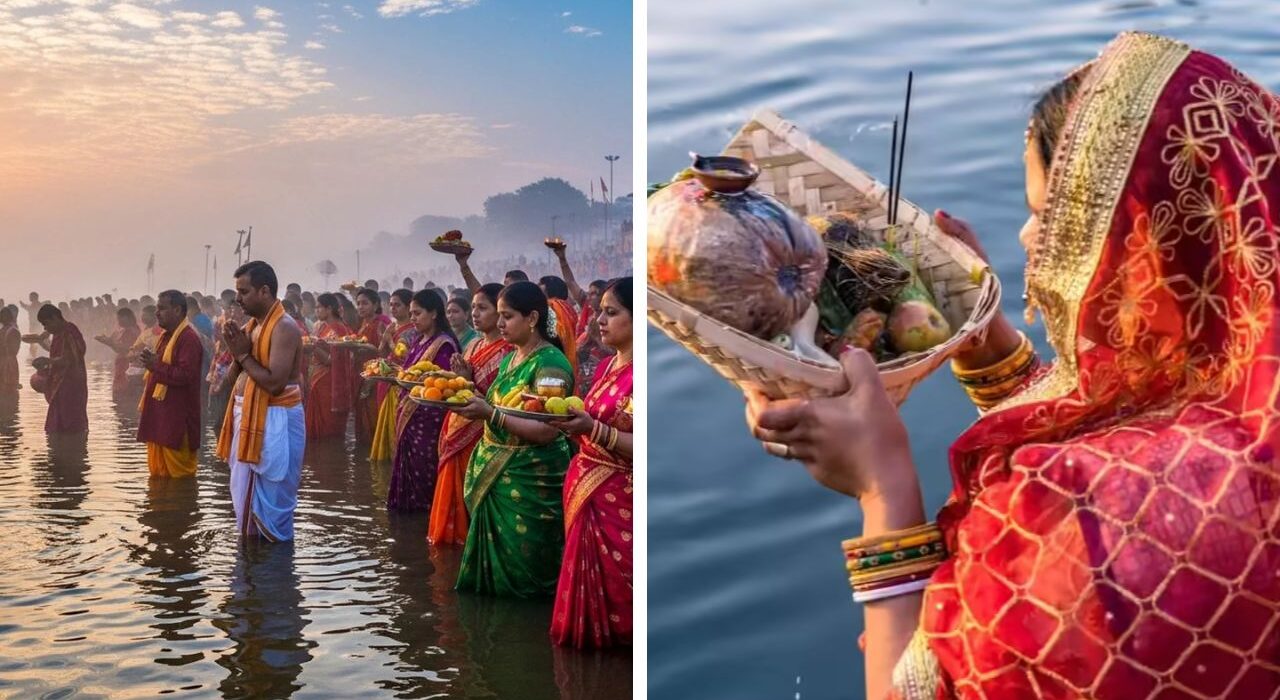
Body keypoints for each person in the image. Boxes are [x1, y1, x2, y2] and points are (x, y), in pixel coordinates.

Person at [745, 32, 1280, 700]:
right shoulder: (1249, 388)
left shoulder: (1071, 523)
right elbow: (1136, 429)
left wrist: (883, 489)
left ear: (1143, 244)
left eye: (1045, 218)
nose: (1030, 241)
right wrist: (990, 346)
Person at [453, 281, 574, 597]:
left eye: (507, 316)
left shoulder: (550, 364)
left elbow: (549, 429)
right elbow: (498, 407)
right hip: (496, 474)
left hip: (530, 480)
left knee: (524, 576)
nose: (500, 323)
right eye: (501, 316)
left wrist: (489, 415)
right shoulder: (511, 359)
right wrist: (468, 386)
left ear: (532, 318)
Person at [549, 277, 633, 648]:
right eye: (600, 311)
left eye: (611, 313)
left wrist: (593, 430)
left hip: (622, 502)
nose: (600, 319)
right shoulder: (606, 368)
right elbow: (591, 425)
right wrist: (572, 428)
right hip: (588, 493)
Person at [217, 260, 305, 542]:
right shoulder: (253, 326)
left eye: (244, 292)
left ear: (264, 291)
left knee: (271, 506)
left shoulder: (285, 327)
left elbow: (275, 384)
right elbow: (233, 380)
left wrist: (243, 355)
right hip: (250, 417)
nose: (238, 299)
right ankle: (253, 575)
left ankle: (274, 578)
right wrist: (233, 348)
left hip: (276, 418)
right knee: (246, 505)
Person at [429, 283, 513, 545]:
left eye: (483, 308)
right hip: (457, 424)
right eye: (474, 307)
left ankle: (469, 541)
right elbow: (460, 387)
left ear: (499, 313)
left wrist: (467, 381)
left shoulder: (508, 352)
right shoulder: (474, 345)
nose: (475, 313)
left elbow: (502, 400)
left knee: (473, 493)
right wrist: (456, 380)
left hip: (482, 433)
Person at [387, 290, 459, 511]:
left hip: (428, 424)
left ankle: (424, 523)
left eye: (417, 313)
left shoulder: (444, 345)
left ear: (434, 313)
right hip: (410, 416)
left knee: (424, 479)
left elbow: (444, 387)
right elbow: (409, 372)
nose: (413, 319)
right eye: (411, 314)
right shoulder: (420, 340)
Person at [137, 290, 204, 478]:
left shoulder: (188, 339)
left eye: (162, 309)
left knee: (180, 481)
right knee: (159, 481)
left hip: (177, 422)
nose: (156, 313)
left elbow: (185, 376)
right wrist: (151, 363)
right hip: (161, 418)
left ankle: (180, 507)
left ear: (177, 310)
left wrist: (155, 365)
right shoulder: (166, 336)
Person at [369, 289, 418, 461]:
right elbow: (381, 352)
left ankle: (395, 459)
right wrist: (384, 338)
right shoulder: (392, 326)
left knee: (395, 424)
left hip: (401, 383)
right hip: (386, 379)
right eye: (391, 305)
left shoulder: (413, 329)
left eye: (397, 305)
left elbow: (404, 355)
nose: (393, 308)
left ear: (408, 306)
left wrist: (389, 339)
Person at [32, 304, 88, 435]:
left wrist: (49, 361)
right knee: (56, 425)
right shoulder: (58, 334)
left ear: (55, 318)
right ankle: (59, 451)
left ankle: (72, 451)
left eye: (46, 324)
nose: (45, 328)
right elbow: (56, 352)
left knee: (71, 424)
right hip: (59, 383)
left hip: (71, 385)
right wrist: (44, 360)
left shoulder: (70, 331)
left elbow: (72, 358)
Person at [305, 293, 354, 439]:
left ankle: (331, 457)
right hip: (318, 381)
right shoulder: (322, 327)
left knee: (328, 430)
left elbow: (331, 360)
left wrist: (313, 346)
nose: (316, 311)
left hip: (330, 385)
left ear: (329, 308)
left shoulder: (339, 329)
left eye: (319, 307)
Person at [353, 288, 392, 443]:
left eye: (365, 303)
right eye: (358, 304)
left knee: (374, 413)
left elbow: (387, 353)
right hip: (361, 374)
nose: (361, 307)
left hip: (376, 377)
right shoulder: (363, 322)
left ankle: (377, 449)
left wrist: (368, 347)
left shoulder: (382, 323)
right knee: (363, 415)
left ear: (375, 305)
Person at [94, 307, 142, 398]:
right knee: (119, 394)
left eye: (120, 318)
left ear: (128, 318)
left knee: (126, 394)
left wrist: (109, 343)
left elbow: (129, 349)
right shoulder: (120, 330)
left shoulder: (133, 330)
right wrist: (107, 341)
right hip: (120, 365)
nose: (118, 321)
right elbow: (116, 348)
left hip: (129, 365)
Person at [540, 276, 579, 382]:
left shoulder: (552, 305)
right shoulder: (568, 307)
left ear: (549, 288)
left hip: (554, 357)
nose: (538, 287)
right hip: (568, 356)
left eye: (541, 284)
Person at [0, 306, 20, 397]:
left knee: (9, 391)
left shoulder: (12, 330)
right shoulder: (6, 329)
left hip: (8, 363)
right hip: (7, 362)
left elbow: (13, 350)